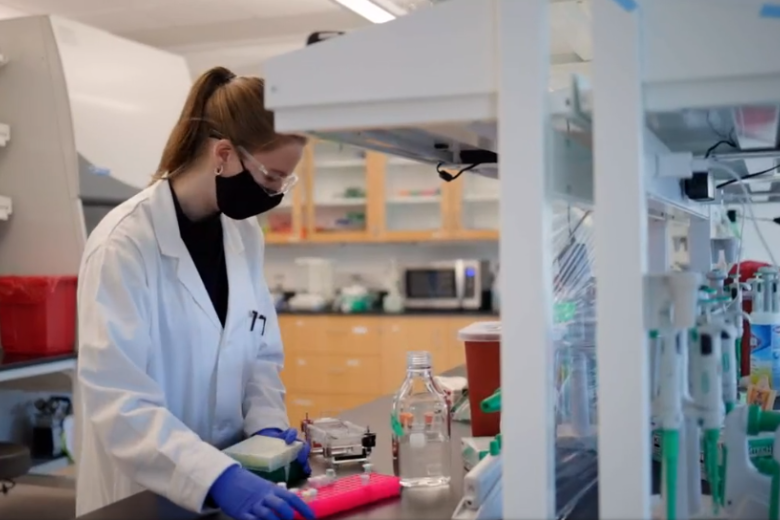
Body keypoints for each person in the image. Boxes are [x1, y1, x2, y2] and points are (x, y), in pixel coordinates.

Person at [74, 66, 315, 520]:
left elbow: (260, 355)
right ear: (223, 154)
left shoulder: (243, 234)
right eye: (271, 179)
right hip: (140, 496)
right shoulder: (123, 245)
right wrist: (216, 476)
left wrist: (267, 432)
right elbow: (119, 402)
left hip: (232, 487)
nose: (276, 193)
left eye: (285, 182)